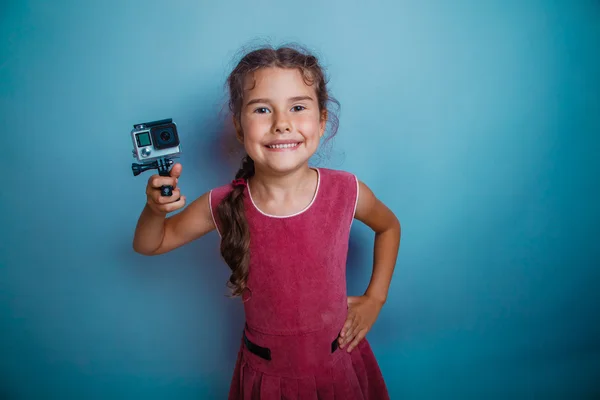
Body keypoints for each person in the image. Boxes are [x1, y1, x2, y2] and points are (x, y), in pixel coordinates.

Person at [132, 44, 401, 399]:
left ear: (322, 121)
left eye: (298, 107)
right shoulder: (225, 203)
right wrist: (155, 210)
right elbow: (150, 243)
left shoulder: (346, 191)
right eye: (262, 109)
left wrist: (375, 299)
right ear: (239, 127)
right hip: (267, 382)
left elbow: (388, 227)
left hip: (338, 371)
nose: (282, 123)